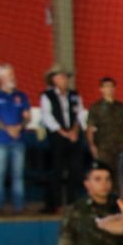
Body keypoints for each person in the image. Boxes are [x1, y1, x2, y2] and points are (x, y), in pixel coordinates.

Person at [0, 63, 30, 215]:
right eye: (9, 75)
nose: (13, 77)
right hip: (0, 141)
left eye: (13, 74)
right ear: (1, 78)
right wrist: (7, 129)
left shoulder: (21, 96)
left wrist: (19, 127)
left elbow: (27, 116)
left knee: (18, 175)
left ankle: (19, 206)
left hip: (19, 141)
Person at [40, 65, 85, 213]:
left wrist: (75, 131)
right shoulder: (47, 96)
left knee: (75, 169)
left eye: (66, 77)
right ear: (54, 79)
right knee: (56, 170)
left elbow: (80, 114)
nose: (65, 80)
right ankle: (56, 204)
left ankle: (73, 202)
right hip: (57, 138)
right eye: (61, 77)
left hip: (74, 137)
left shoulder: (74, 95)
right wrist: (63, 133)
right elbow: (47, 117)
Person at [86, 77, 123, 190]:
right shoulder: (96, 107)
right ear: (101, 89)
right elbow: (90, 128)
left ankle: (117, 200)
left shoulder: (120, 107)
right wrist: (92, 146)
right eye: (106, 86)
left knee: (119, 175)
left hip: (119, 146)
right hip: (104, 147)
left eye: (111, 86)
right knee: (105, 173)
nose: (109, 89)